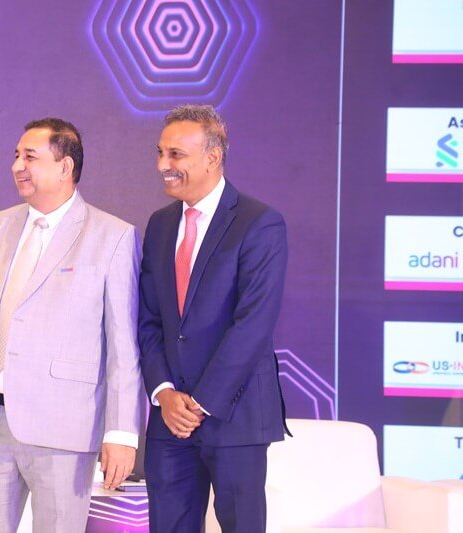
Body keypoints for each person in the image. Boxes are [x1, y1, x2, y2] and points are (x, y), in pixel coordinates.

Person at [0, 117, 144, 532]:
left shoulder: (112, 236)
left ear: (65, 166)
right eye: (16, 156)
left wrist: (121, 433)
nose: (17, 166)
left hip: (65, 429)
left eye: (30, 157)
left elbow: (123, 347)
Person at [139, 104, 289, 533]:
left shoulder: (259, 223)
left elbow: (253, 325)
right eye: (160, 153)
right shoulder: (159, 225)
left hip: (234, 416)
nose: (162, 165)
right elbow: (149, 320)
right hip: (170, 422)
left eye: (176, 154)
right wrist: (165, 393)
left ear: (213, 157)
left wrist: (201, 403)